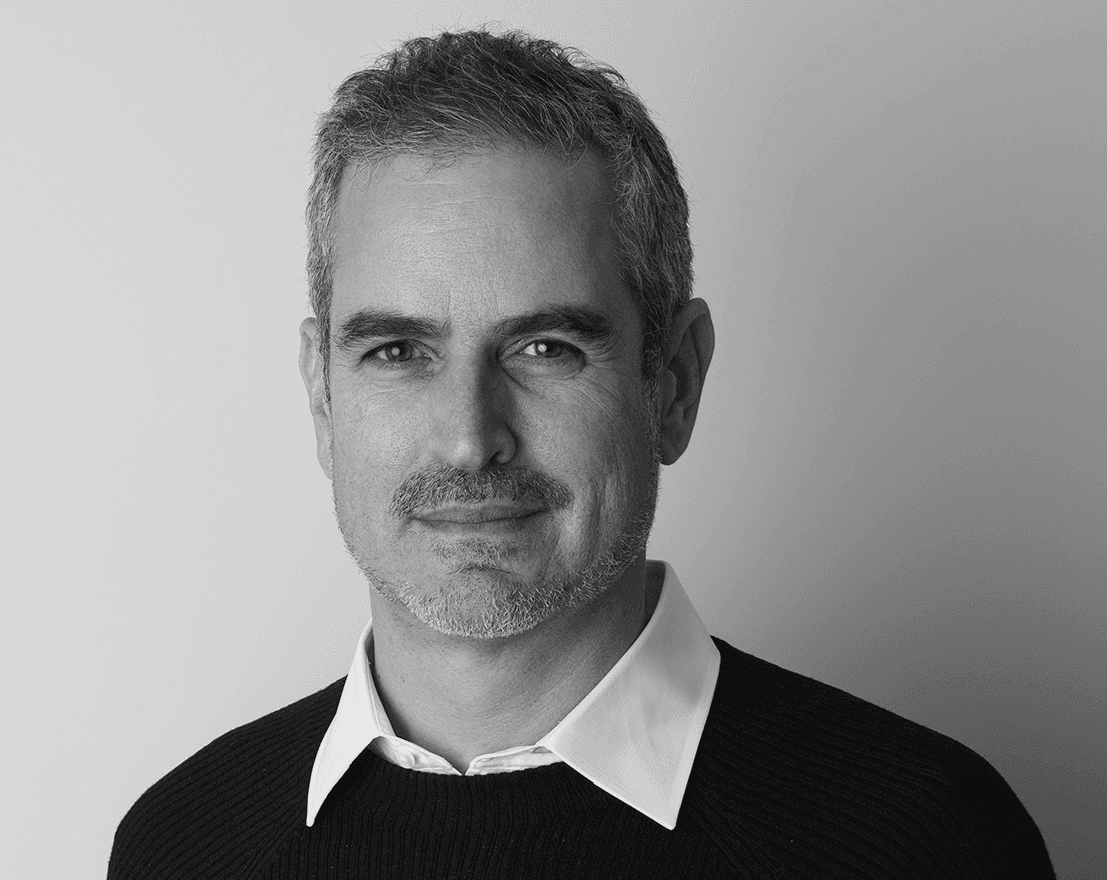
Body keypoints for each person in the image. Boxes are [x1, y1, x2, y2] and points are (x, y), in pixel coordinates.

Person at [108, 29, 1053, 878]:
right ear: (322, 395)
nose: (470, 438)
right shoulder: (181, 847)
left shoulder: (926, 839)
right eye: (397, 351)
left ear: (672, 382)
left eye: (544, 349)